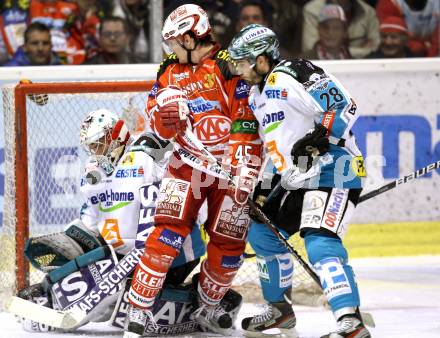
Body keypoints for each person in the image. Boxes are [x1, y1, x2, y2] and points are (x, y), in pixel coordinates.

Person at [16, 109, 241, 336]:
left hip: (170, 251)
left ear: (116, 133)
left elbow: (184, 180)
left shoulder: (147, 149)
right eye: (92, 147)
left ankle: (205, 302)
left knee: (119, 290)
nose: (97, 151)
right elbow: (90, 221)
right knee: (106, 279)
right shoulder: (96, 174)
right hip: (125, 257)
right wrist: (69, 249)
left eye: (100, 143)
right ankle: (48, 292)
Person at [125, 4, 262, 337]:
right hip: (185, 165)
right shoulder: (169, 69)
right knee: (166, 235)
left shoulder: (230, 67)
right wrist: (163, 114)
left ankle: (207, 306)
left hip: (231, 168)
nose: (170, 49)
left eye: (173, 41)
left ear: (188, 37)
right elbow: (155, 117)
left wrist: (243, 169)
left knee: (229, 250)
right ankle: (139, 309)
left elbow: (247, 118)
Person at [228, 24, 370, 338]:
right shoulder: (257, 95)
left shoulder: (293, 71)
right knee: (263, 233)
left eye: (242, 62)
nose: (238, 70)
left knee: (319, 242)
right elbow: (279, 148)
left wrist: (320, 135)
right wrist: (265, 189)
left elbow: (344, 105)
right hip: (298, 176)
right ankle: (280, 311)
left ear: (262, 60)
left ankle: (351, 324)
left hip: (336, 167)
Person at [302, 0, 379, 58]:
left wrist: (342, 51)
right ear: (318, 30)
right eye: (326, 28)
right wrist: (361, 51)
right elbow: (310, 47)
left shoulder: (368, 11)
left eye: (336, 28)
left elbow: (375, 50)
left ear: (345, 32)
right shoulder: (312, 9)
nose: (330, 32)